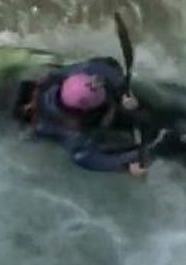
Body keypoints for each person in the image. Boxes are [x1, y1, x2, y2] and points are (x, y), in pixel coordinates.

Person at [19, 56, 160, 176]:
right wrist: (126, 167)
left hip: (59, 101)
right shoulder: (74, 136)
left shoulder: (78, 77)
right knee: (108, 136)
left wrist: (122, 92)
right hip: (42, 121)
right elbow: (88, 159)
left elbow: (105, 65)